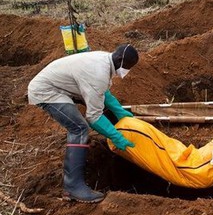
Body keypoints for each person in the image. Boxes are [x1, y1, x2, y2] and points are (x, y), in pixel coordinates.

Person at [28, 44, 139, 203]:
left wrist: (119, 111)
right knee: (79, 128)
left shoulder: (105, 60)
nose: (127, 71)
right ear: (120, 59)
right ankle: (73, 187)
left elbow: (103, 93)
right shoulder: (98, 72)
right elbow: (93, 117)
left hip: (60, 85)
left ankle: (73, 185)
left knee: (81, 124)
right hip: (46, 91)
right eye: (128, 67)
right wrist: (116, 137)